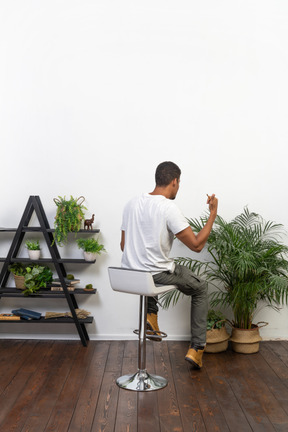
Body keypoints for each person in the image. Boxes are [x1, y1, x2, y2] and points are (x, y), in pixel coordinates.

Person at [120, 161, 218, 369]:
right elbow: (197, 246)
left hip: (129, 275)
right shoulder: (168, 208)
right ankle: (197, 349)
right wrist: (212, 215)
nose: (179, 187)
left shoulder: (131, 204)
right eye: (179, 182)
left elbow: (123, 246)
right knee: (201, 287)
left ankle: (151, 316)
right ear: (174, 181)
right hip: (154, 275)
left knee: (148, 268)